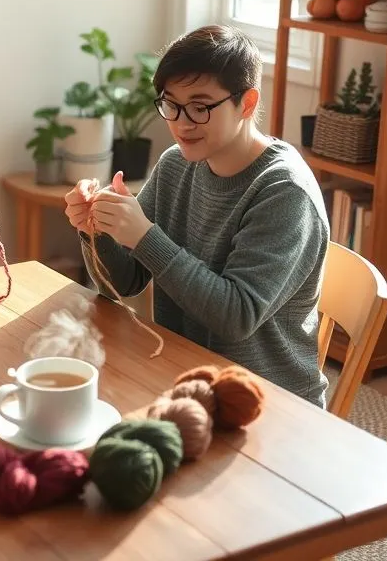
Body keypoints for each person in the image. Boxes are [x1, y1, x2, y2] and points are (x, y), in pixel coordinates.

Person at [64, 25, 329, 406]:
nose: (181, 122)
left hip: (265, 400)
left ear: (247, 103)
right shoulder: (177, 164)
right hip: (185, 378)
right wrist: (97, 228)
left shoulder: (284, 192)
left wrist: (144, 236)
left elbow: (236, 317)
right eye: (170, 104)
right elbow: (127, 282)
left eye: (201, 106)